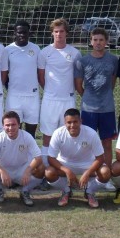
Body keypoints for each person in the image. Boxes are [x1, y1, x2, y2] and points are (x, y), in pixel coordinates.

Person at [45, 108, 110, 208]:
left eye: (75, 122)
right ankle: (66, 191)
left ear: (80, 121)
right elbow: (51, 158)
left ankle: (89, 191)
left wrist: (87, 172)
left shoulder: (91, 133)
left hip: (87, 164)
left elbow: (100, 158)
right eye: (69, 122)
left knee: (105, 172)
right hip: (65, 163)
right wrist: (67, 171)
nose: (72, 125)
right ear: (64, 123)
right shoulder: (58, 133)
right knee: (49, 173)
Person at [38, 18, 81, 165]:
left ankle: (64, 168)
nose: (59, 34)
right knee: (47, 135)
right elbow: (41, 77)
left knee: (67, 134)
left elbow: (77, 78)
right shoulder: (44, 52)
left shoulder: (75, 53)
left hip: (68, 100)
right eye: (56, 31)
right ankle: (45, 168)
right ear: (52, 33)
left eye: (61, 31)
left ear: (66, 33)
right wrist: (51, 91)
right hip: (50, 100)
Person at [74, 27, 119, 166]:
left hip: (107, 108)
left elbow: (112, 82)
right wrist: (88, 97)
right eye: (95, 40)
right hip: (89, 109)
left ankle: (107, 175)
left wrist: (103, 96)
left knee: (106, 143)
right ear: (91, 41)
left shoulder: (113, 59)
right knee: (87, 143)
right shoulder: (82, 61)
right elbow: (78, 86)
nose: (98, 42)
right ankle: (90, 173)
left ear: (106, 41)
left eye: (101, 40)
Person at [0, 111, 45, 207]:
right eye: (7, 125)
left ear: (19, 125)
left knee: (40, 168)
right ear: (3, 126)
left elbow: (38, 157)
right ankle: (0, 189)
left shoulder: (26, 136)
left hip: (22, 170)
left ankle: (25, 190)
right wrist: (2, 172)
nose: (10, 128)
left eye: (13, 125)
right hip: (4, 171)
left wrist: (28, 170)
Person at [4, 20, 41, 137]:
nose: (22, 35)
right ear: (14, 33)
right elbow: (4, 74)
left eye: (25, 32)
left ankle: (30, 155)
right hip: (14, 97)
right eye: (19, 32)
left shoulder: (36, 49)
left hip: (32, 97)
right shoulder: (8, 50)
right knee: (13, 132)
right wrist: (10, 88)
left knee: (31, 133)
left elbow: (40, 72)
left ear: (29, 33)